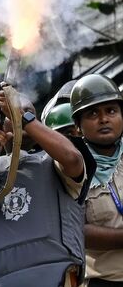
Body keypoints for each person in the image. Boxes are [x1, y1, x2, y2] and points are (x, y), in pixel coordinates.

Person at [0, 89, 86, 286]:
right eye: (11, 112)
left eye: (28, 112)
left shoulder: (53, 159)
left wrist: (23, 118)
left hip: (55, 276)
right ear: (0, 126)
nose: (19, 114)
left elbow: (73, 159)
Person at [70, 74, 123, 286]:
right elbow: (77, 229)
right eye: (92, 113)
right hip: (104, 280)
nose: (103, 119)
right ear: (77, 126)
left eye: (111, 111)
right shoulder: (71, 167)